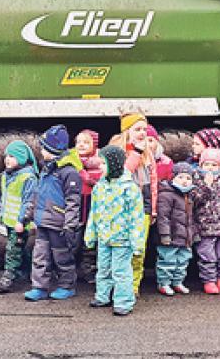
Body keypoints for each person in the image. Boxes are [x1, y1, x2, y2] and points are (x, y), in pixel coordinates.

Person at [23, 125, 82, 302]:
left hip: (59, 223)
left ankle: (67, 285)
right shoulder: (46, 169)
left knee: (62, 257)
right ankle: (39, 287)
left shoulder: (69, 173)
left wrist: (70, 224)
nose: (41, 151)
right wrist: (28, 214)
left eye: (43, 147)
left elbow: (73, 202)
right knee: (40, 255)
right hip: (42, 222)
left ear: (53, 150)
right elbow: (37, 194)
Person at [84, 145, 145, 316]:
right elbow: (94, 213)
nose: (100, 167)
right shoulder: (99, 187)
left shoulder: (129, 188)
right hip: (104, 237)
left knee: (121, 271)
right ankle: (102, 296)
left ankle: (124, 301)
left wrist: (137, 242)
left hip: (122, 240)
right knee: (103, 267)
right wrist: (91, 234)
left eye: (103, 163)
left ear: (114, 164)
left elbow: (136, 218)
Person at [113, 113, 156, 295]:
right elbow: (123, 173)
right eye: (137, 129)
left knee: (139, 250)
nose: (142, 133)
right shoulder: (118, 151)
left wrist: (153, 209)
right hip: (123, 209)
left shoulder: (148, 154)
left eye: (144, 129)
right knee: (122, 249)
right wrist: (136, 152)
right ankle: (120, 284)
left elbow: (153, 183)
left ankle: (133, 286)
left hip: (143, 208)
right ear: (126, 131)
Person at [0, 140, 38, 293]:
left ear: (22, 158)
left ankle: (8, 277)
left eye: (12, 156)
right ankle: (28, 272)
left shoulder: (28, 178)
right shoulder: (6, 175)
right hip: (9, 222)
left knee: (13, 249)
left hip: (20, 223)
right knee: (20, 249)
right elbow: (3, 196)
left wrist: (22, 221)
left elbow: (29, 202)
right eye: (6, 156)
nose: (7, 159)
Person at [191, 148, 220, 295]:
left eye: (214, 165)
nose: (210, 168)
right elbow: (196, 200)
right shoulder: (196, 180)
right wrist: (207, 186)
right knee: (207, 255)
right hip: (205, 226)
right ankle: (209, 280)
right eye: (207, 164)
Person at [155, 163, 197, 296]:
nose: (185, 181)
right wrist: (165, 234)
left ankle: (178, 281)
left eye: (188, 178)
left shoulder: (190, 195)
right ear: (173, 178)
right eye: (181, 177)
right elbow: (163, 217)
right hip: (171, 236)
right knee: (167, 260)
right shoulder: (167, 194)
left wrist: (193, 234)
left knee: (183, 261)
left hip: (185, 237)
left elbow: (191, 217)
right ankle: (164, 283)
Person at [75, 129, 103, 282]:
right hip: (77, 205)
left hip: (92, 206)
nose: (81, 145)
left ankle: (89, 269)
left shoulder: (99, 164)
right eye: (78, 142)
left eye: (86, 142)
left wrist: (87, 177)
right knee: (73, 239)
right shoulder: (72, 162)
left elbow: (99, 183)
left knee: (91, 240)